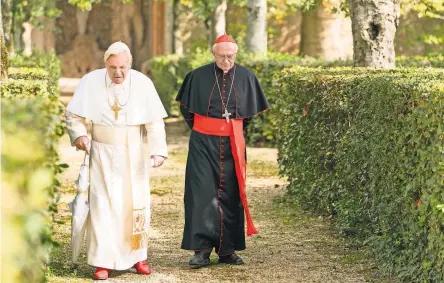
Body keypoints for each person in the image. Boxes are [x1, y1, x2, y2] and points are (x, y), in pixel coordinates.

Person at [65, 41, 168, 280]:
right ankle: (103, 260)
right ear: (105, 65)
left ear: (130, 64)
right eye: (113, 68)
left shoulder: (143, 83)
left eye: (122, 67)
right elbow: (73, 115)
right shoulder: (90, 81)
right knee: (103, 206)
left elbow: (154, 122)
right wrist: (79, 134)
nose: (118, 73)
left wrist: (158, 151)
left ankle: (138, 256)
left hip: (133, 153)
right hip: (101, 153)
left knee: (135, 205)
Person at [176, 33, 269, 268]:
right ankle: (202, 250)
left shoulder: (246, 77)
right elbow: (186, 111)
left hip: (232, 144)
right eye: (221, 56)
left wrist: (230, 130)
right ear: (213, 54)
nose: (226, 61)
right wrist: (207, 129)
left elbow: (247, 117)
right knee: (201, 193)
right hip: (202, 143)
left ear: (236, 54)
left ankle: (227, 250)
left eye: (230, 56)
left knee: (231, 193)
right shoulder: (196, 77)